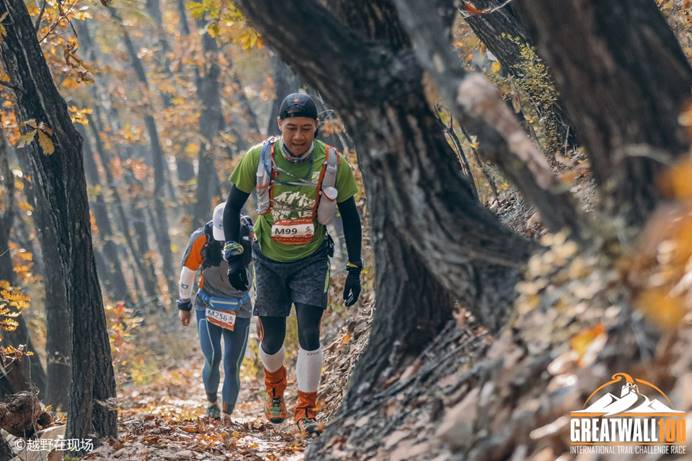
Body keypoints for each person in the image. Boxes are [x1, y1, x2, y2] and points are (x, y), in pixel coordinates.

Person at [222, 92, 363, 435]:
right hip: (267, 258)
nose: (299, 136)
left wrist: (355, 268)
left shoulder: (332, 163)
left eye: (306, 128)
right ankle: (274, 387)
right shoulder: (257, 158)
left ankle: (307, 410)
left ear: (317, 127)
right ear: (279, 126)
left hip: (311, 257)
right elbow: (232, 208)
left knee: (310, 332)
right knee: (272, 339)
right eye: (291, 128)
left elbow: (350, 215)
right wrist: (235, 257)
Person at [177, 203, 253, 421]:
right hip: (207, 304)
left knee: (232, 364)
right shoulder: (201, 238)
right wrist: (184, 304)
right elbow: (188, 272)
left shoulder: (250, 236)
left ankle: (227, 415)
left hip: (240, 306)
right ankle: (212, 403)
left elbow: (264, 268)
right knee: (212, 357)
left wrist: (265, 310)